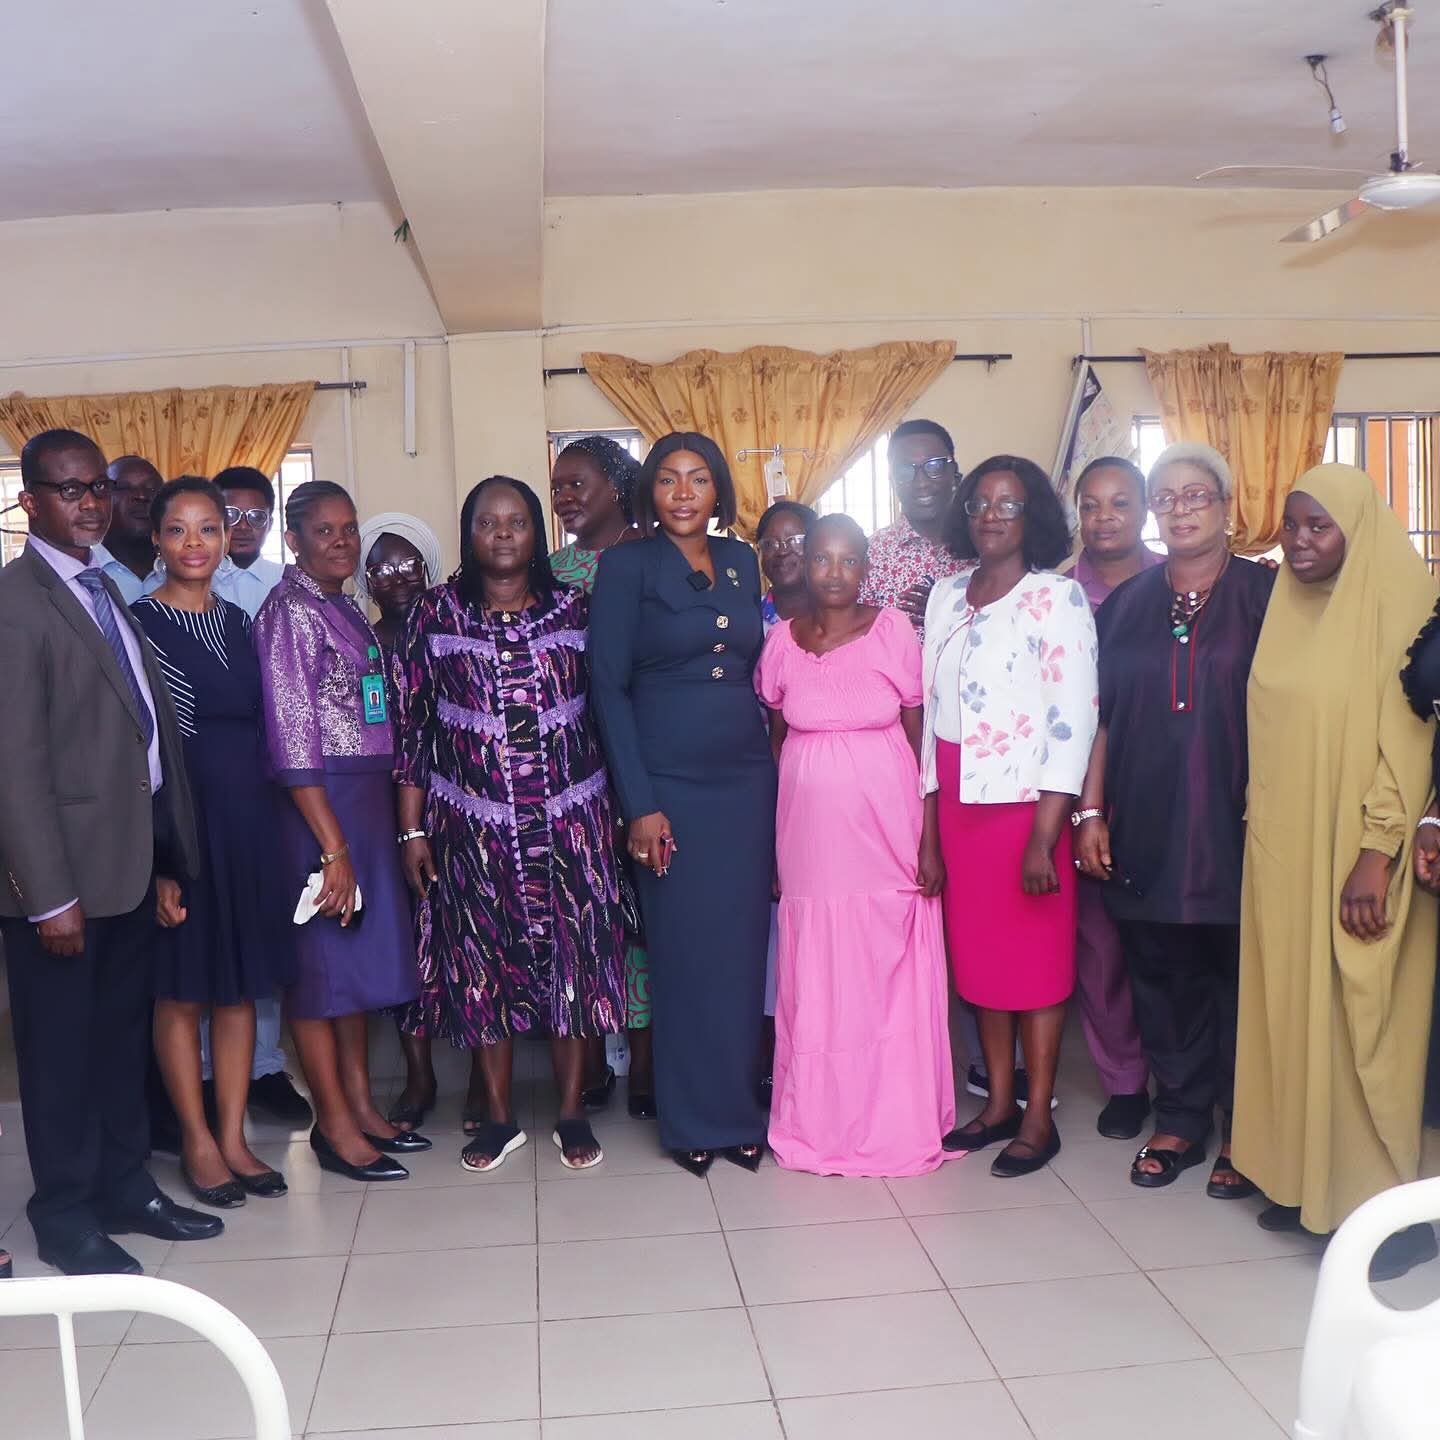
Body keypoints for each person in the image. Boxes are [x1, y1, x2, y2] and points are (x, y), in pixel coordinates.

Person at [0, 428, 221, 1274]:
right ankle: (64, 1214)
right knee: (60, 1058)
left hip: (125, 868)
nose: (90, 502)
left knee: (120, 1043)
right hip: (61, 884)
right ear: (30, 502)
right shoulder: (17, 604)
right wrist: (47, 894)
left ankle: (126, 1186)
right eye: (69, 489)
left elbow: (137, 732)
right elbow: (14, 765)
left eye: (97, 486)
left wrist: (163, 858)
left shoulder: (104, 587)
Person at [1232, 466, 1438, 1279]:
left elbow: (1413, 742)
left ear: (1358, 525)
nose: (1300, 541)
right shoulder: (1290, 606)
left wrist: (1377, 849)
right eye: (1292, 524)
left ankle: (1384, 1211)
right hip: (1285, 848)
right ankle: (1303, 1183)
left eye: (1320, 525)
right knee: (1294, 1013)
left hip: (1360, 850)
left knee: (1364, 1024)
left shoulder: (1399, 602)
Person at [394, 477, 627, 1171]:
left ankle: (571, 1111)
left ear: (537, 534)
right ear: (469, 533)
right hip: (471, 828)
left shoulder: (575, 608)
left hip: (572, 821)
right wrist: (411, 831)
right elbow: (413, 728)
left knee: (575, 959)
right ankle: (497, 1117)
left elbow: (608, 711)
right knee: (481, 963)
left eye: (517, 521)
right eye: (487, 522)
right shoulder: (435, 613)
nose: (502, 532)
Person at [1076, 442, 1274, 1196]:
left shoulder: (1268, 595)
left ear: (1226, 507)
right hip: (1146, 818)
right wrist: (1091, 810)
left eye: (1197, 495)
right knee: (1159, 970)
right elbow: (1100, 717)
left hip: (1241, 820)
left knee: (1241, 977)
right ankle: (1183, 1117)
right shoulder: (1126, 604)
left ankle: (1248, 1129)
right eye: (1167, 496)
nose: (1181, 508)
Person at [589, 432, 776, 1176]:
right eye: (668, 479)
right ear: (650, 491)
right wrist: (639, 804)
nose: (683, 493)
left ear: (718, 489)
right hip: (667, 785)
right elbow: (607, 689)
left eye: (698, 479)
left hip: (745, 782)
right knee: (683, 951)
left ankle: (737, 1112)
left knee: (740, 952)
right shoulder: (625, 566)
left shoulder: (742, 561)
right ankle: (692, 1118)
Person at [759, 513, 955, 1175]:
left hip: (889, 829)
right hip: (810, 840)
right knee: (818, 972)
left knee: (885, 964)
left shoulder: (894, 630)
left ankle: (895, 1117)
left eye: (848, 560)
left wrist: (930, 840)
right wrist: (775, 843)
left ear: (866, 567)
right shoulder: (781, 642)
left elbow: (922, 742)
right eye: (822, 558)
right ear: (804, 564)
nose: (835, 572)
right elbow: (775, 744)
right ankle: (821, 1120)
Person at [922, 455, 1098, 1176]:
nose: (991, 516)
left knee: (1037, 965)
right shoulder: (945, 595)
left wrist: (1045, 838)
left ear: (1035, 518)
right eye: (980, 503)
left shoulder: (1056, 598)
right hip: (959, 804)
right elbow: (931, 716)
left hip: (1028, 809)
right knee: (981, 964)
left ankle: (1038, 1116)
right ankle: (996, 1105)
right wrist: (929, 826)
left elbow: (1073, 722)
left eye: (1008, 504)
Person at [253, 480, 427, 1183]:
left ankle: (361, 1107)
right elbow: (292, 740)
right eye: (324, 531)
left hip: (365, 800)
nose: (342, 542)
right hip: (319, 809)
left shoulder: (342, 605)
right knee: (319, 972)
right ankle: (332, 1125)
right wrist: (333, 848)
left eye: (349, 528)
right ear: (293, 540)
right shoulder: (288, 612)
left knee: (350, 970)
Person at [132, 478, 297, 1207]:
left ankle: (233, 1139)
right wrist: (160, 859)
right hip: (182, 827)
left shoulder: (240, 621)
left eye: (208, 528)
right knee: (182, 991)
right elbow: (137, 749)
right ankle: (196, 1142)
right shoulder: (136, 624)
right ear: (157, 540)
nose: (194, 543)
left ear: (226, 536)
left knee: (237, 988)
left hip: (249, 824)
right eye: (178, 529)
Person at [197, 465, 312, 1128]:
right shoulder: (182, 586)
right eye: (229, 515)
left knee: (264, 926)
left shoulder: (284, 586)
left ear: (272, 523)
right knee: (210, 928)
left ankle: (265, 1069)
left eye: (254, 516)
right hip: (211, 780)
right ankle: (208, 1075)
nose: (241, 527)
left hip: (274, 779)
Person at [547, 437, 656, 1119]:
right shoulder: (550, 571)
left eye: (576, 483)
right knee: (578, 916)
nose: (563, 497)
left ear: (616, 484)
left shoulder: (653, 556)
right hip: (569, 767)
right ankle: (586, 1061)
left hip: (645, 756)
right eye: (557, 486)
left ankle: (644, 1064)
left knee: (645, 911)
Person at [1063, 457, 1161, 1140]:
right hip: (1083, 791)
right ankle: (1124, 1082)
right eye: (1091, 505)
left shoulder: (1181, 581)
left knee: (1170, 940)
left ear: (1145, 509)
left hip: (1169, 782)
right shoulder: (1056, 594)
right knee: (1100, 946)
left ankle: (1185, 1080)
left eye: (1119, 503)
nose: (1104, 518)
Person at [345, 512, 445, 1131]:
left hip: (460, 804)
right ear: (366, 579)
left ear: (428, 568)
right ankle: (419, 1076)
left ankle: (484, 1082)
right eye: (381, 568)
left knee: (461, 939)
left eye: (408, 563)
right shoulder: (363, 642)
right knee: (405, 940)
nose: (397, 576)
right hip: (387, 810)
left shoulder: (453, 630)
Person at [755, 498, 819, 1101]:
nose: (782, 552)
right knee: (776, 930)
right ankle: (776, 1053)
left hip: (834, 799)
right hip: (761, 787)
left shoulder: (845, 617)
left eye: (795, 539)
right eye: (770, 543)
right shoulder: (749, 620)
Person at [859, 418, 968, 635]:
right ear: (891, 480)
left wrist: (946, 611)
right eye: (904, 470)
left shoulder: (983, 548)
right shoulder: (871, 555)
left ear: (955, 474)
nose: (921, 483)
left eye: (934, 466)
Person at [94, 455, 164, 603]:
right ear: (101, 500)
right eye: (124, 488)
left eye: (152, 488)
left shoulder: (188, 570)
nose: (141, 495)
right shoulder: (82, 572)